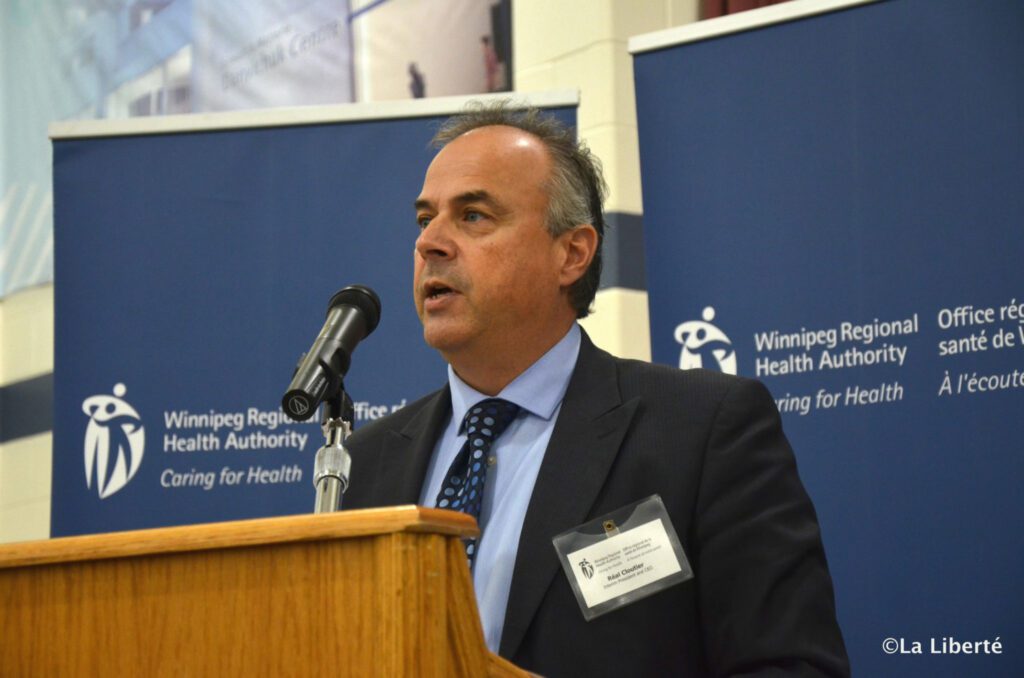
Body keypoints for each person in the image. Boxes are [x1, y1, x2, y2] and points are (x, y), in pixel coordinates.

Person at [343, 102, 850, 677]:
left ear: (572, 254)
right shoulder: (366, 464)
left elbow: (791, 666)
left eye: (474, 215)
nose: (430, 243)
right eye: (424, 219)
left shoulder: (702, 431)